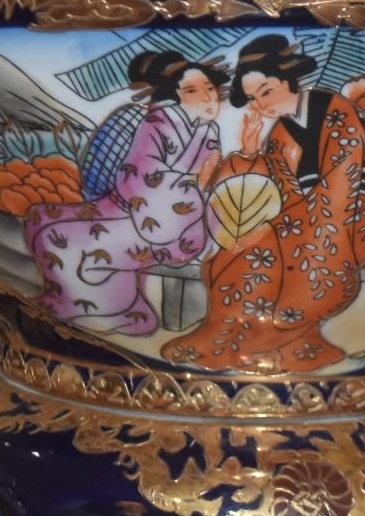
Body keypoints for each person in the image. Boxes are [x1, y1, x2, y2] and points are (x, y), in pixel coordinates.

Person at [161, 35, 365, 372]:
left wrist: (274, 228)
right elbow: (274, 187)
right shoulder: (280, 132)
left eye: (266, 91)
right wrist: (249, 153)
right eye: (253, 98)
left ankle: (254, 342)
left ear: (289, 80)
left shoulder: (333, 110)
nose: (261, 104)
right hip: (301, 217)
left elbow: (343, 181)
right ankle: (239, 338)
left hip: (354, 214)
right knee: (234, 253)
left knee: (262, 251)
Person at [25, 51, 227, 335]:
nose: (207, 97)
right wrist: (195, 179)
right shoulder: (157, 123)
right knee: (42, 219)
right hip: (141, 212)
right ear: (175, 96)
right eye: (192, 90)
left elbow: (209, 181)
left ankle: (108, 315)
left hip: (177, 227)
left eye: (209, 88)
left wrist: (199, 182)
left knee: (63, 239)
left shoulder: (208, 131)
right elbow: (140, 177)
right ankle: (80, 310)